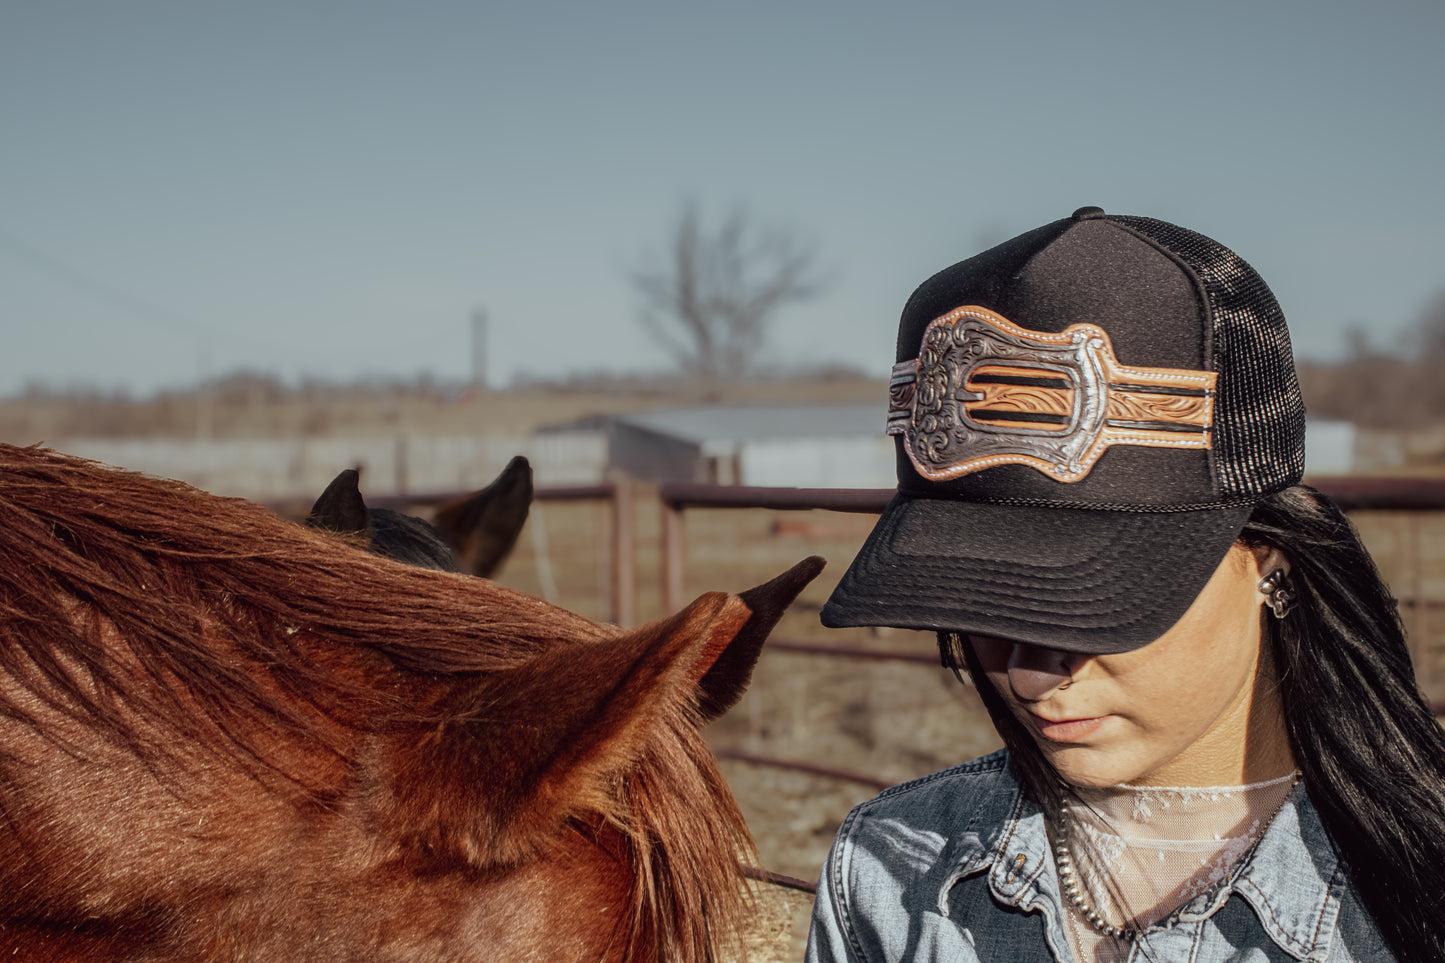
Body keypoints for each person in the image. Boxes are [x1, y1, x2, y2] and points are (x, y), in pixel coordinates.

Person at [806, 207, 1445, 962]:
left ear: (1270, 558)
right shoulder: (886, 870)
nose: (1028, 676)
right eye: (978, 600)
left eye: (1091, 605)